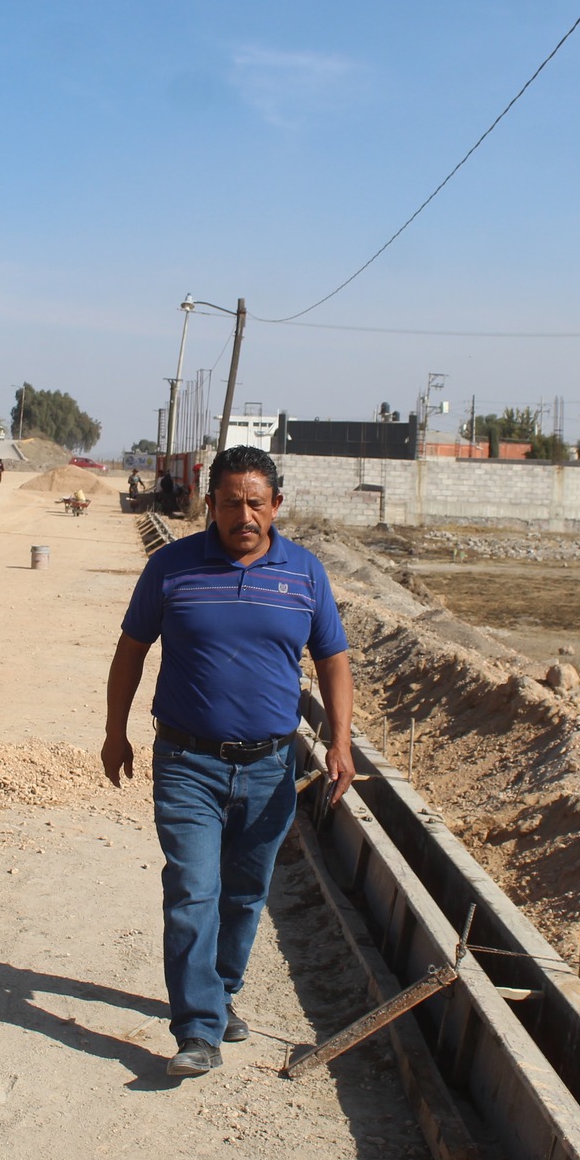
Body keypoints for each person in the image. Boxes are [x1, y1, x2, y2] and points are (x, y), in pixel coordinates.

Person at [102, 446, 354, 1077]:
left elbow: (333, 661)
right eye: (231, 502)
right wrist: (115, 732)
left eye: (256, 502)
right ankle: (197, 1031)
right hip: (187, 760)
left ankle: (221, 991)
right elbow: (131, 651)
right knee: (192, 888)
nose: (244, 514)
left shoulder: (305, 573)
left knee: (245, 895)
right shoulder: (171, 568)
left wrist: (341, 743)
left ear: (276, 505)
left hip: (272, 768)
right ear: (208, 503)